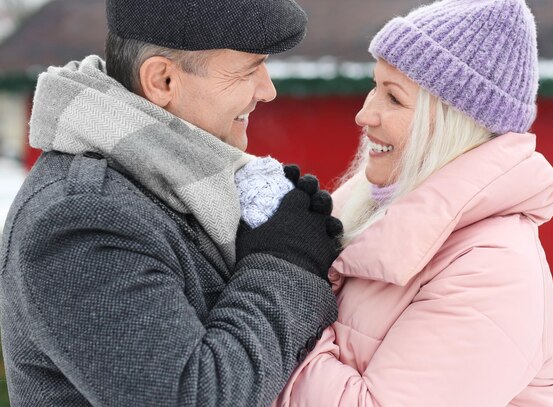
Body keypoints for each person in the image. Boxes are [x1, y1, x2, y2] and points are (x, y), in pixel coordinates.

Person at [0, 0, 343, 406]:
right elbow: (189, 397)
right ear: (162, 81)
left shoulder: (172, 188)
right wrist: (284, 263)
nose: (266, 90)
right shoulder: (79, 218)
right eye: (249, 69)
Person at [274, 0, 553, 406]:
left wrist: (280, 282)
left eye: (393, 99)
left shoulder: (493, 271)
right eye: (374, 86)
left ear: (454, 123)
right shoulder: (371, 211)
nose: (365, 114)